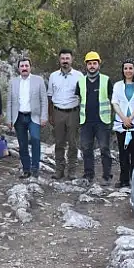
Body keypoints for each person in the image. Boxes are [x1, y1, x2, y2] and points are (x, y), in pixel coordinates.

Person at [75, 51, 114, 185]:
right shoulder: (80, 82)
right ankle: (88, 175)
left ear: (99, 64)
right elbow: (79, 99)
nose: (92, 66)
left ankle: (107, 176)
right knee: (86, 148)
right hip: (86, 121)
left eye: (94, 63)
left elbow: (113, 99)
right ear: (86, 65)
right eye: (90, 63)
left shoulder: (106, 80)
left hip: (102, 121)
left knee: (104, 148)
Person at [6, 58, 48, 179]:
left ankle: (35, 168)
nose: (24, 68)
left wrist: (44, 116)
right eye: (22, 66)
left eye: (26, 66)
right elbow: (9, 101)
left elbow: (44, 100)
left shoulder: (38, 80)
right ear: (18, 68)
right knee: (22, 144)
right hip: (18, 117)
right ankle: (26, 169)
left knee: (35, 139)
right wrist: (9, 119)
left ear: (30, 67)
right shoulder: (13, 82)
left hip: (33, 116)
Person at [47, 49, 83, 180]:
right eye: (63, 59)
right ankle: (59, 170)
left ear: (72, 59)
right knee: (59, 142)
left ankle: (72, 171)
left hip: (73, 112)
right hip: (58, 112)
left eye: (67, 58)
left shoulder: (79, 76)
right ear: (59, 60)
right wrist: (50, 115)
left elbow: (82, 96)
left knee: (73, 143)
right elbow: (50, 97)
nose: (65, 61)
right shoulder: (53, 76)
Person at [111, 58, 134, 188]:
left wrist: (130, 118)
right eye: (125, 68)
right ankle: (124, 179)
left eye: (130, 68)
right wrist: (123, 118)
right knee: (123, 152)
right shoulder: (118, 85)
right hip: (121, 124)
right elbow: (115, 102)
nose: (128, 71)